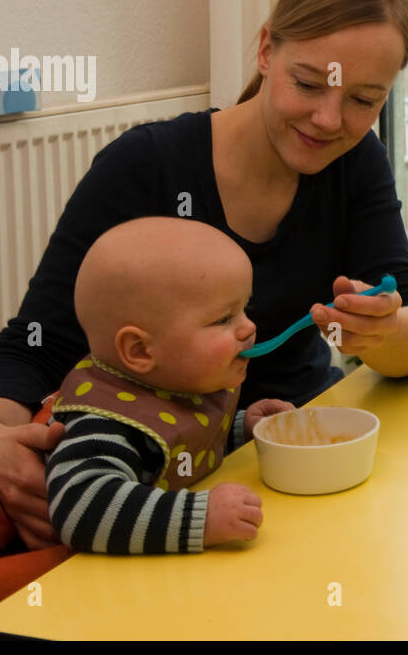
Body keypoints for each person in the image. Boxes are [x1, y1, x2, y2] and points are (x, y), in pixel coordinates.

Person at [0, 0, 408, 549]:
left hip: (290, 466)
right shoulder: (144, 167)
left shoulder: (356, 161)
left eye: (365, 100)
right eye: (309, 84)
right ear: (266, 50)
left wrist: (384, 333)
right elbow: (36, 341)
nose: (329, 120)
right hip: (159, 501)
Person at [47, 218, 297, 553]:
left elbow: (179, 443)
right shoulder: (107, 421)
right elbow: (80, 508)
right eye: (224, 319)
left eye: (244, 309)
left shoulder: (170, 381)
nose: (248, 327)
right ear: (140, 351)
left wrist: (241, 428)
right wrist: (201, 519)